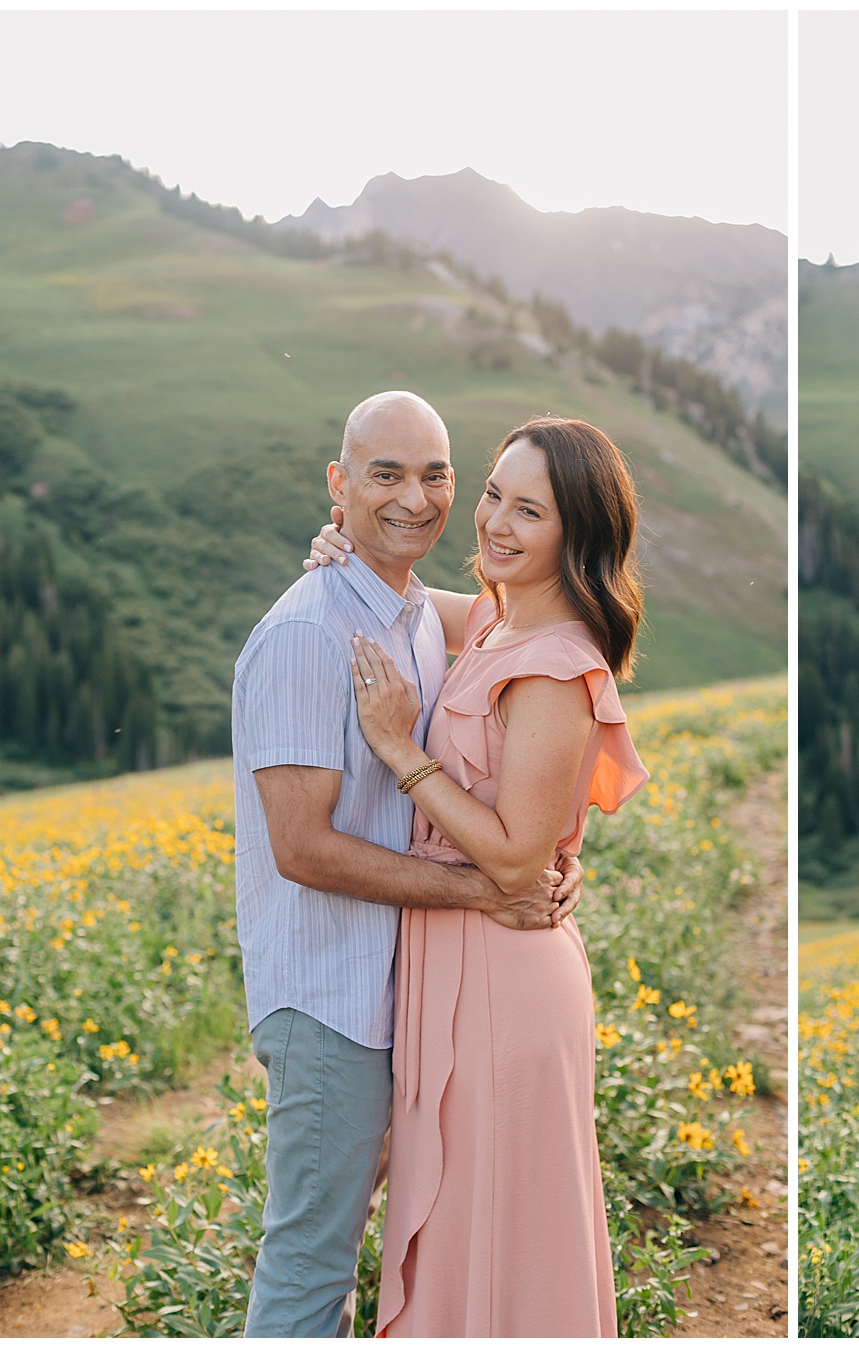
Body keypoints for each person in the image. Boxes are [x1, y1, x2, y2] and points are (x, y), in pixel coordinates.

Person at [232, 391, 582, 1337]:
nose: (415, 498)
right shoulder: (310, 635)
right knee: (313, 1265)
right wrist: (493, 889)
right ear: (338, 484)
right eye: (384, 474)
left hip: (413, 991)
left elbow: (545, 647)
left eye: (434, 475)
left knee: (379, 1249)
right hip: (332, 999)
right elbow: (300, 849)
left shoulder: (419, 611)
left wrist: (544, 853)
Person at [310, 415, 648, 1335]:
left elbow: (513, 856)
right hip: (456, 957)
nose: (495, 523)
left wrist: (394, 747)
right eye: (493, 493)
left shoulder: (556, 665)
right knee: (461, 1212)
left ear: (572, 535)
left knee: (500, 1223)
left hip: (505, 974)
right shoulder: (500, 620)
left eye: (528, 511)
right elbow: (411, 603)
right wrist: (348, 550)